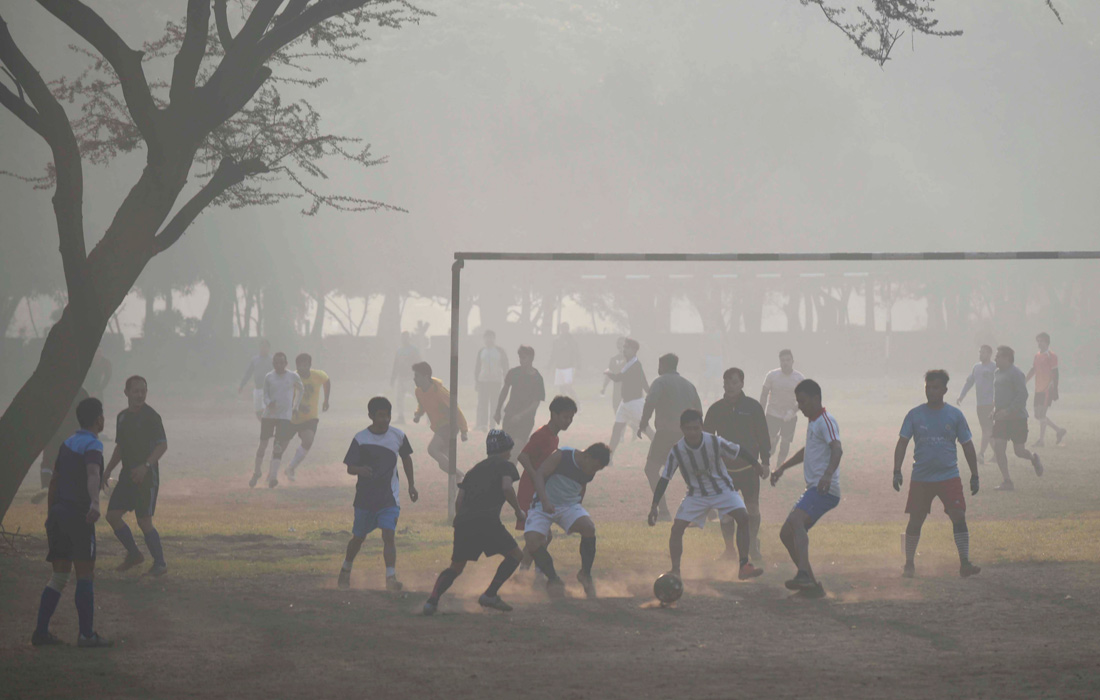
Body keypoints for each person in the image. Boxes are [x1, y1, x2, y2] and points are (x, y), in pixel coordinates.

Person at [31, 397, 112, 647]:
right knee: (85, 575)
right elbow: (93, 473)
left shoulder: (67, 443)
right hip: (78, 516)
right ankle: (86, 635)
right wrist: (95, 504)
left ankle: (41, 633)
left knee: (58, 576)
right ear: (99, 419)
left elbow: (54, 480)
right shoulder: (93, 445)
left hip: (58, 514)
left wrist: (50, 514)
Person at [647, 409, 766, 581]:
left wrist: (756, 464)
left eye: (696, 428)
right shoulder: (677, 451)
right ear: (682, 429)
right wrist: (654, 506)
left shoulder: (714, 442)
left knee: (743, 517)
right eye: (688, 429)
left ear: (702, 427)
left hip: (723, 490)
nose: (693, 432)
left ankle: (743, 565)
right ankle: (675, 570)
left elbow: (739, 450)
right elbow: (665, 479)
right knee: (677, 528)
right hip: (696, 495)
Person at [423, 430, 526, 615]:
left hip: (463, 522)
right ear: (505, 449)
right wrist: (518, 511)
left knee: (456, 567)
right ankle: (490, 594)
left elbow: (459, 501)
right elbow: (506, 487)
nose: (511, 453)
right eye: (509, 449)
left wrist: (462, 521)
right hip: (487, 521)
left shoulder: (473, 471)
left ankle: (432, 601)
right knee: (516, 555)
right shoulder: (506, 465)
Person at [894, 370, 981, 579]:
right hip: (921, 477)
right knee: (915, 520)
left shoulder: (955, 415)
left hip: (948, 476)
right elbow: (902, 443)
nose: (930, 391)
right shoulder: (914, 414)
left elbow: (967, 446)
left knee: (958, 515)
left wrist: (975, 474)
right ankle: (909, 563)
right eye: (928, 387)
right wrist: (896, 470)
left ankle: (964, 563)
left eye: (935, 388)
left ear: (944, 390)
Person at [768, 379, 841, 599]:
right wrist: (782, 468)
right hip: (814, 488)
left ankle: (802, 574)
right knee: (786, 534)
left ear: (816, 399)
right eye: (798, 402)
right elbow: (807, 451)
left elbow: (837, 449)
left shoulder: (826, 421)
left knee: (796, 521)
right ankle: (811, 585)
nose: (800, 406)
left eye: (803, 401)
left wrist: (828, 475)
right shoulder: (814, 421)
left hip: (824, 489)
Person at [338, 397, 417, 592]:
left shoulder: (398, 436)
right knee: (358, 537)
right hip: (365, 498)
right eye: (380, 416)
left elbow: (406, 459)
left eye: (387, 415)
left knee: (388, 535)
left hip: (388, 497)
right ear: (371, 416)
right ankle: (346, 569)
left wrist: (411, 485)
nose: (385, 420)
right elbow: (350, 468)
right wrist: (360, 470)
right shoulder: (360, 438)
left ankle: (391, 577)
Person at [523, 442, 612, 599]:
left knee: (588, 528)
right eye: (595, 467)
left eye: (598, 469)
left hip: (569, 505)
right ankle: (553, 579)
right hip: (543, 504)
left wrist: (578, 506)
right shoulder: (562, 455)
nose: (594, 472)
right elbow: (539, 474)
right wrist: (544, 501)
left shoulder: (590, 466)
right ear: (586, 456)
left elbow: (582, 484)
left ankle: (585, 574)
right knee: (532, 541)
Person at [103, 376, 169, 577]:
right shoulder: (122, 417)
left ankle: (160, 563)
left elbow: (162, 445)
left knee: (144, 521)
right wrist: (107, 471)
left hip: (147, 477)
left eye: (143, 391)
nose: (140, 395)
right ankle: (134, 555)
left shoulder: (152, 416)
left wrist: (146, 466)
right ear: (126, 392)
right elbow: (120, 447)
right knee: (112, 515)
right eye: (136, 391)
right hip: (126, 475)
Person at [703, 367, 772, 561]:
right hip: (725, 472)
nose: (730, 386)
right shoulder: (716, 409)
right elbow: (706, 440)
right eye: (727, 382)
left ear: (742, 383)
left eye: (734, 382)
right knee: (726, 513)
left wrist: (765, 462)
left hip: (749, 470)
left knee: (752, 509)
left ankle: (752, 545)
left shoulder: (753, 407)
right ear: (723, 384)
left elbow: (763, 436)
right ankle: (729, 550)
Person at [513, 396, 577, 575]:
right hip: (529, 492)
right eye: (565, 417)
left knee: (542, 537)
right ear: (553, 415)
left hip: (539, 493)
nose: (568, 421)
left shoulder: (554, 437)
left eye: (571, 418)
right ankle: (535, 574)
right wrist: (536, 477)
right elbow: (522, 456)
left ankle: (525, 572)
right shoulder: (542, 435)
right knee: (541, 536)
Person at [638, 353, 701, 521]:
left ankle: (664, 511)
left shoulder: (660, 382)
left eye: (659, 366)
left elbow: (650, 402)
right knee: (691, 471)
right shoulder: (689, 385)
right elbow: (699, 410)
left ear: (663, 366)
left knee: (651, 469)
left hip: (665, 433)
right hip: (687, 435)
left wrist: (643, 423)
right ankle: (708, 510)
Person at [991, 346, 1042, 491]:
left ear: (1007, 358)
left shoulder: (1016, 373)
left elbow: (1022, 395)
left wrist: (1008, 411)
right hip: (1001, 418)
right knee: (999, 448)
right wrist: (994, 410)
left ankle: (1033, 458)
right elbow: (998, 395)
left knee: (1019, 451)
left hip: (1017, 418)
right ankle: (1007, 481)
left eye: (998, 356)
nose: (995, 359)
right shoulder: (997, 373)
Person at [250, 352, 303, 488]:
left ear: (286, 363)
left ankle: (273, 477)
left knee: (278, 447)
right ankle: (257, 472)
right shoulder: (269, 377)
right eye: (276, 363)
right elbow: (265, 394)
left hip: (284, 417)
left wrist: (295, 406)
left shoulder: (293, 376)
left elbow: (301, 389)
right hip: (269, 415)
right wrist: (268, 403)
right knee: (263, 445)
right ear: (273, 364)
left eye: (282, 362)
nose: (279, 365)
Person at [32, 387, 90, 505]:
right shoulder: (81, 392)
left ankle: (46, 487)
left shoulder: (53, 389)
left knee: (48, 461)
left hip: (53, 432)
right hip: (70, 433)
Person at [413, 361, 469, 478]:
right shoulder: (418, 391)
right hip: (439, 427)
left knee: (432, 449)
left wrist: (464, 431)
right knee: (444, 464)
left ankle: (461, 476)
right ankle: (461, 477)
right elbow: (422, 404)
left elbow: (456, 409)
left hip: (449, 426)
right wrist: (418, 414)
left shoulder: (439, 392)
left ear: (426, 377)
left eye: (417, 376)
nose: (414, 379)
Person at [284, 353, 331, 482]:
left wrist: (326, 400)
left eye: (305, 365)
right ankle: (271, 472)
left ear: (309, 365)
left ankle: (291, 468)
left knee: (308, 440)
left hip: (310, 418)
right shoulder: (292, 379)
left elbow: (326, 381)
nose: (302, 368)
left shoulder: (317, 375)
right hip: (293, 418)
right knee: (281, 445)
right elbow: (286, 399)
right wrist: (297, 407)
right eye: (299, 365)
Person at [604, 338, 652, 461]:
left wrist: (608, 372)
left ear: (634, 350)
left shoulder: (634, 364)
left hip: (635, 403)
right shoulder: (630, 363)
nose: (624, 349)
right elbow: (644, 382)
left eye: (627, 347)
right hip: (625, 403)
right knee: (617, 430)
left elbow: (618, 378)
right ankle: (609, 459)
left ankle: (664, 454)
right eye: (624, 347)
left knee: (647, 430)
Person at [760, 349, 806, 467]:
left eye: (788, 360)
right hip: (772, 414)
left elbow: (803, 400)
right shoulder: (772, 375)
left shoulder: (799, 378)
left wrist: (792, 411)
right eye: (783, 360)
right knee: (770, 443)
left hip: (790, 416)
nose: (785, 363)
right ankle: (766, 464)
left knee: (785, 443)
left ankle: (779, 467)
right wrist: (760, 411)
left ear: (792, 361)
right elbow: (764, 393)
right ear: (779, 361)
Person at [495, 345, 545, 449]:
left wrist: (520, 416)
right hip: (510, 415)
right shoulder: (513, 373)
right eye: (520, 357)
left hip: (526, 419)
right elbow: (504, 391)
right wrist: (498, 410)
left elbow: (535, 404)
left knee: (516, 448)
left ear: (531, 358)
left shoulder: (537, 378)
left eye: (524, 357)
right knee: (506, 449)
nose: (521, 360)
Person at [1026, 332, 1066, 447]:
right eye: (1038, 341)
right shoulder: (1037, 355)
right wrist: (1024, 381)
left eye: (1041, 341)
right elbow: (1033, 369)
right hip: (1038, 388)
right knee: (1037, 415)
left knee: (1042, 414)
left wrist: (1055, 389)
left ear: (1047, 342)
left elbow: (1055, 373)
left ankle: (1041, 441)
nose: (1039, 343)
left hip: (1047, 389)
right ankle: (1059, 430)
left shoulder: (1051, 356)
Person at [957, 344, 996, 463]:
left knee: (987, 430)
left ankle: (981, 454)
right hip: (980, 405)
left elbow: (999, 384)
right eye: (980, 352)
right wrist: (962, 395)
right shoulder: (976, 367)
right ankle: (998, 454)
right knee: (988, 431)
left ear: (989, 354)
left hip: (990, 404)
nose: (980, 354)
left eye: (983, 352)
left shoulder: (994, 367)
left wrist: (997, 400)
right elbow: (969, 382)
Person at [474, 330, 509, 431]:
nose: (488, 339)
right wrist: (476, 381)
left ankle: (492, 424)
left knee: (494, 403)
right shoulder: (481, 351)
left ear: (494, 338)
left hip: (495, 382)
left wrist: (506, 379)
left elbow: (505, 365)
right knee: (483, 403)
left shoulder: (499, 351)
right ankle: (483, 424)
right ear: (484, 339)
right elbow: (477, 367)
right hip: (483, 381)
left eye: (490, 337)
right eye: (486, 337)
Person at [390, 332, 422, 424]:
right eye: (403, 338)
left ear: (409, 338)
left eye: (406, 338)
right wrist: (393, 378)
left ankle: (430, 415)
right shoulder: (399, 350)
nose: (404, 339)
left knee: (418, 397)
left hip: (410, 378)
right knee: (399, 398)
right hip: (401, 378)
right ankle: (401, 417)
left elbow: (419, 363)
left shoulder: (414, 350)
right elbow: (396, 364)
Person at [237, 339, 272, 420]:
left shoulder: (272, 360)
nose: (263, 348)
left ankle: (267, 430)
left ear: (269, 348)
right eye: (262, 346)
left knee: (265, 410)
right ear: (259, 348)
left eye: (265, 347)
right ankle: (265, 426)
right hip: (257, 389)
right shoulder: (254, 359)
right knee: (258, 412)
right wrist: (242, 385)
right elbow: (248, 373)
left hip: (267, 389)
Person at [549, 322, 580, 399]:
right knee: (561, 388)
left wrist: (578, 366)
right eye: (562, 328)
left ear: (568, 329)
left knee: (568, 387)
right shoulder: (556, 341)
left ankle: (577, 403)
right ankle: (565, 406)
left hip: (569, 367)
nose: (564, 330)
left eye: (565, 328)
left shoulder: (571, 340)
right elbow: (553, 354)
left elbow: (576, 353)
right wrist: (549, 365)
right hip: (559, 367)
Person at [600, 337, 627, 412]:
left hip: (629, 388)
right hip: (617, 389)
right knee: (616, 409)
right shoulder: (614, 359)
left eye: (623, 344)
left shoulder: (631, 358)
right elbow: (609, 374)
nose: (621, 346)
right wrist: (604, 387)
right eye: (620, 344)